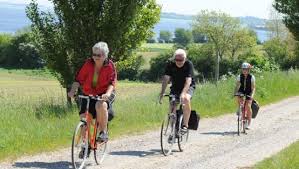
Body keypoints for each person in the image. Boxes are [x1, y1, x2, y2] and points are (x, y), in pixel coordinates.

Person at [68, 41, 117, 142]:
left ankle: (103, 132)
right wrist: (72, 91)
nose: (95, 57)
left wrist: (107, 94)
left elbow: (112, 83)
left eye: (98, 55)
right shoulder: (88, 64)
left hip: (105, 93)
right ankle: (85, 145)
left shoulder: (110, 66)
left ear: (105, 55)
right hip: (89, 93)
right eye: (94, 54)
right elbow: (78, 79)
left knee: (100, 105)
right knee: (84, 118)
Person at [159, 49, 196, 132]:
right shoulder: (170, 64)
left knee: (186, 99)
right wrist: (162, 92)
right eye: (177, 60)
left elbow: (188, 81)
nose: (179, 62)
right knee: (172, 106)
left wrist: (183, 93)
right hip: (175, 87)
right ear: (174, 59)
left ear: (185, 59)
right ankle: (173, 131)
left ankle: (185, 125)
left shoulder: (188, 64)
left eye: (181, 60)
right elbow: (166, 79)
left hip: (188, 86)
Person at [234, 62, 255, 129]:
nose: (244, 71)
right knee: (238, 97)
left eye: (246, 69)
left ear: (249, 70)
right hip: (242, 90)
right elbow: (237, 86)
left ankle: (248, 123)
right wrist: (235, 93)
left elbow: (253, 88)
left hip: (249, 91)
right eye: (243, 69)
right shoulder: (239, 76)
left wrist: (252, 95)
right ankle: (239, 108)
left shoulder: (252, 77)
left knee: (248, 106)